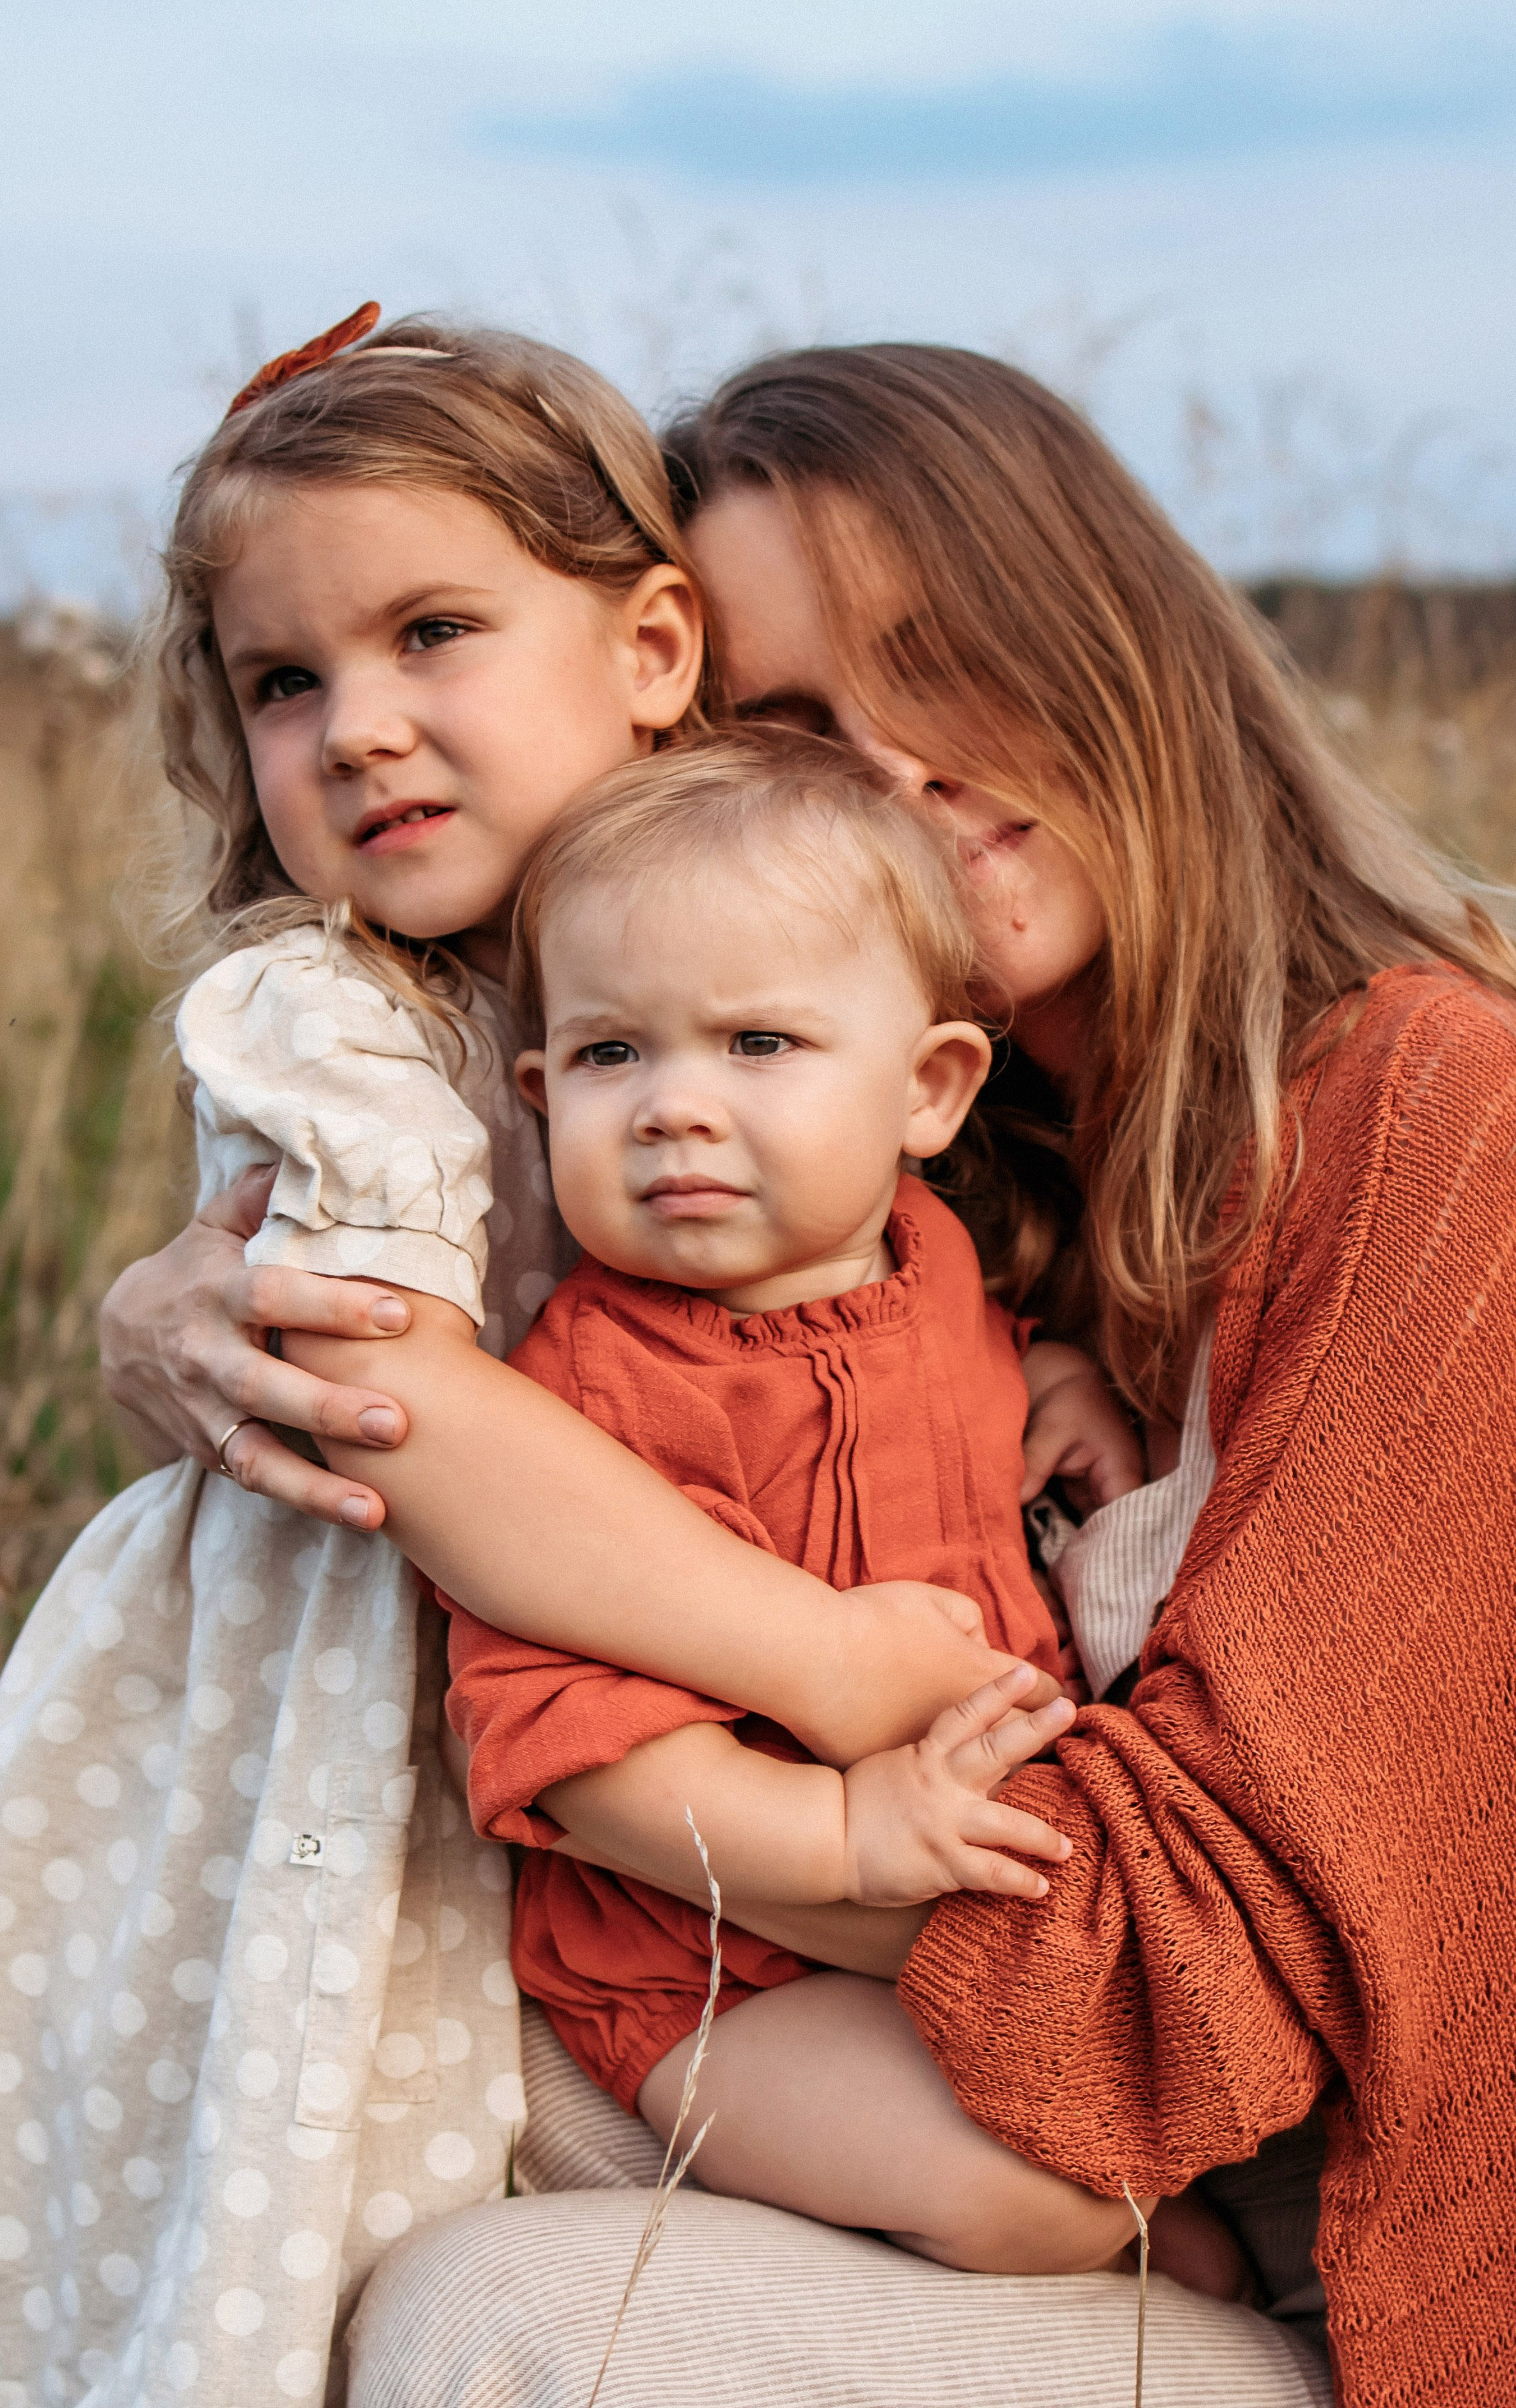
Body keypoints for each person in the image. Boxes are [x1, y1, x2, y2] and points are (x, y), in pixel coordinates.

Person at [103, 342, 1516, 2408]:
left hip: (1368, 2277)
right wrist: (195, 1308)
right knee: (327, 2154)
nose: (887, 771)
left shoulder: (1441, 1120)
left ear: (1114, 628)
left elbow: (1187, 1978)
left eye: (944, 653)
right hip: (941, 2054)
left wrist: (755, 1792)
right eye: (786, 722)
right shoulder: (919, 1151)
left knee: (480, 2319)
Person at [0, 304, 721, 2408]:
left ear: (651, 649)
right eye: (289, 680)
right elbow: (405, 1402)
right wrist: (823, 1659)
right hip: (352, 1701)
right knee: (330, 2163)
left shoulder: (770, 965)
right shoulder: (339, 1020)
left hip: (580, 1689)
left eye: (434, 631)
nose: (360, 724)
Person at [443, 729, 1212, 2284]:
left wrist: (1048, 1371)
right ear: (538, 1096)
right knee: (1047, 2194)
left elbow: (957, 1370)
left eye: (757, 1046)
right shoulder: (586, 1399)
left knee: (1144, 2108)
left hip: (951, 1896)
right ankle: (1144, 2290)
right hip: (714, 1967)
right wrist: (840, 1831)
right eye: (611, 1055)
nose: (672, 1107)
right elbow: (569, 1750)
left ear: (927, 1092)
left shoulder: (927, 1259)